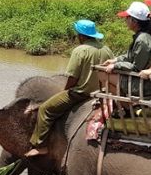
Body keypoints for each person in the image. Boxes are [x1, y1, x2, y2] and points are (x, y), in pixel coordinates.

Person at [27, 19, 113, 156]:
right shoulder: (106, 49)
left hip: (82, 93)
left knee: (45, 109)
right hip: (101, 91)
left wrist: (66, 90)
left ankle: (40, 145)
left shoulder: (80, 51)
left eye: (78, 34)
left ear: (82, 36)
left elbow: (72, 77)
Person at [101, 1, 151, 99]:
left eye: (127, 18)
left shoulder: (142, 40)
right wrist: (115, 60)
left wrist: (116, 66)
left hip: (145, 85)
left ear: (134, 21)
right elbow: (131, 55)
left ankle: (127, 105)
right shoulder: (147, 34)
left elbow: (136, 67)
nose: (125, 21)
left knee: (101, 74)